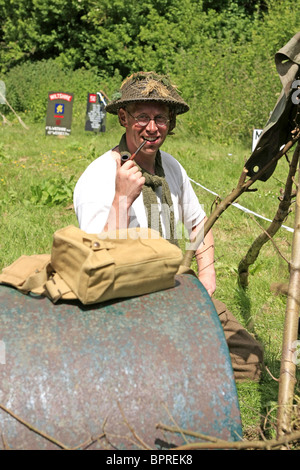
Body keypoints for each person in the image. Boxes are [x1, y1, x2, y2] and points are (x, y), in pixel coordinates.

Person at [73, 71, 263, 381]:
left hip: (179, 290)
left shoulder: (171, 167)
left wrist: (206, 274)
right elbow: (95, 261)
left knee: (249, 358)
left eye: (161, 118)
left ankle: (180, 365)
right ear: (123, 117)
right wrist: (121, 198)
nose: (152, 127)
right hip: (128, 301)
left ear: (170, 122)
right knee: (149, 368)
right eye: (142, 117)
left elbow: (199, 221)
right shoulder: (99, 176)